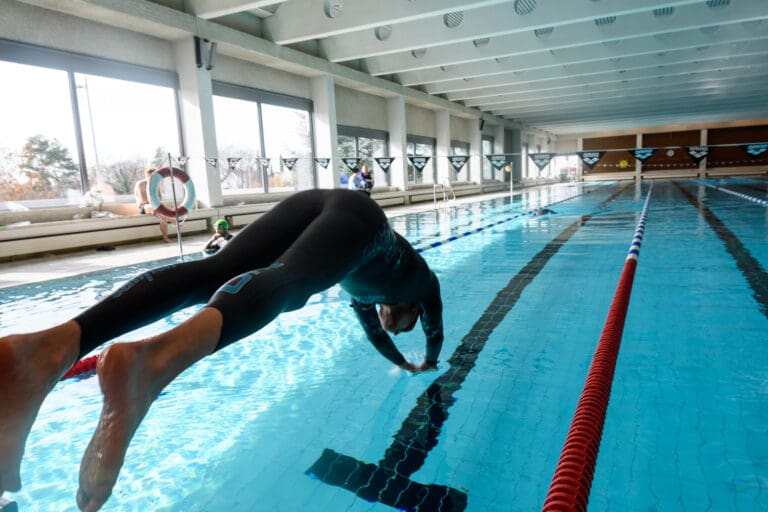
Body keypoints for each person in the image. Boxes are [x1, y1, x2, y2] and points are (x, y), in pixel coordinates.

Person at [0, 189, 443, 512]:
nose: (390, 324)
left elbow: (376, 337)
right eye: (400, 324)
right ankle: (153, 360)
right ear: (410, 314)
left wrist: (403, 362)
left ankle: (46, 349)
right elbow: (436, 328)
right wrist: (432, 358)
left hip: (320, 203)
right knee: (289, 281)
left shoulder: (366, 301)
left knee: (219, 270)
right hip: (364, 221)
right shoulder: (422, 282)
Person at [133, 167, 171, 243]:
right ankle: (174, 222)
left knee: (163, 215)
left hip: (153, 205)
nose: (152, 178)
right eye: (150, 176)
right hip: (144, 206)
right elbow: (143, 200)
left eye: (154, 176)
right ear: (146, 175)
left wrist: (157, 204)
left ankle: (165, 237)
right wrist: (155, 204)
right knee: (156, 210)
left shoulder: (155, 184)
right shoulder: (141, 183)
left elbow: (160, 198)